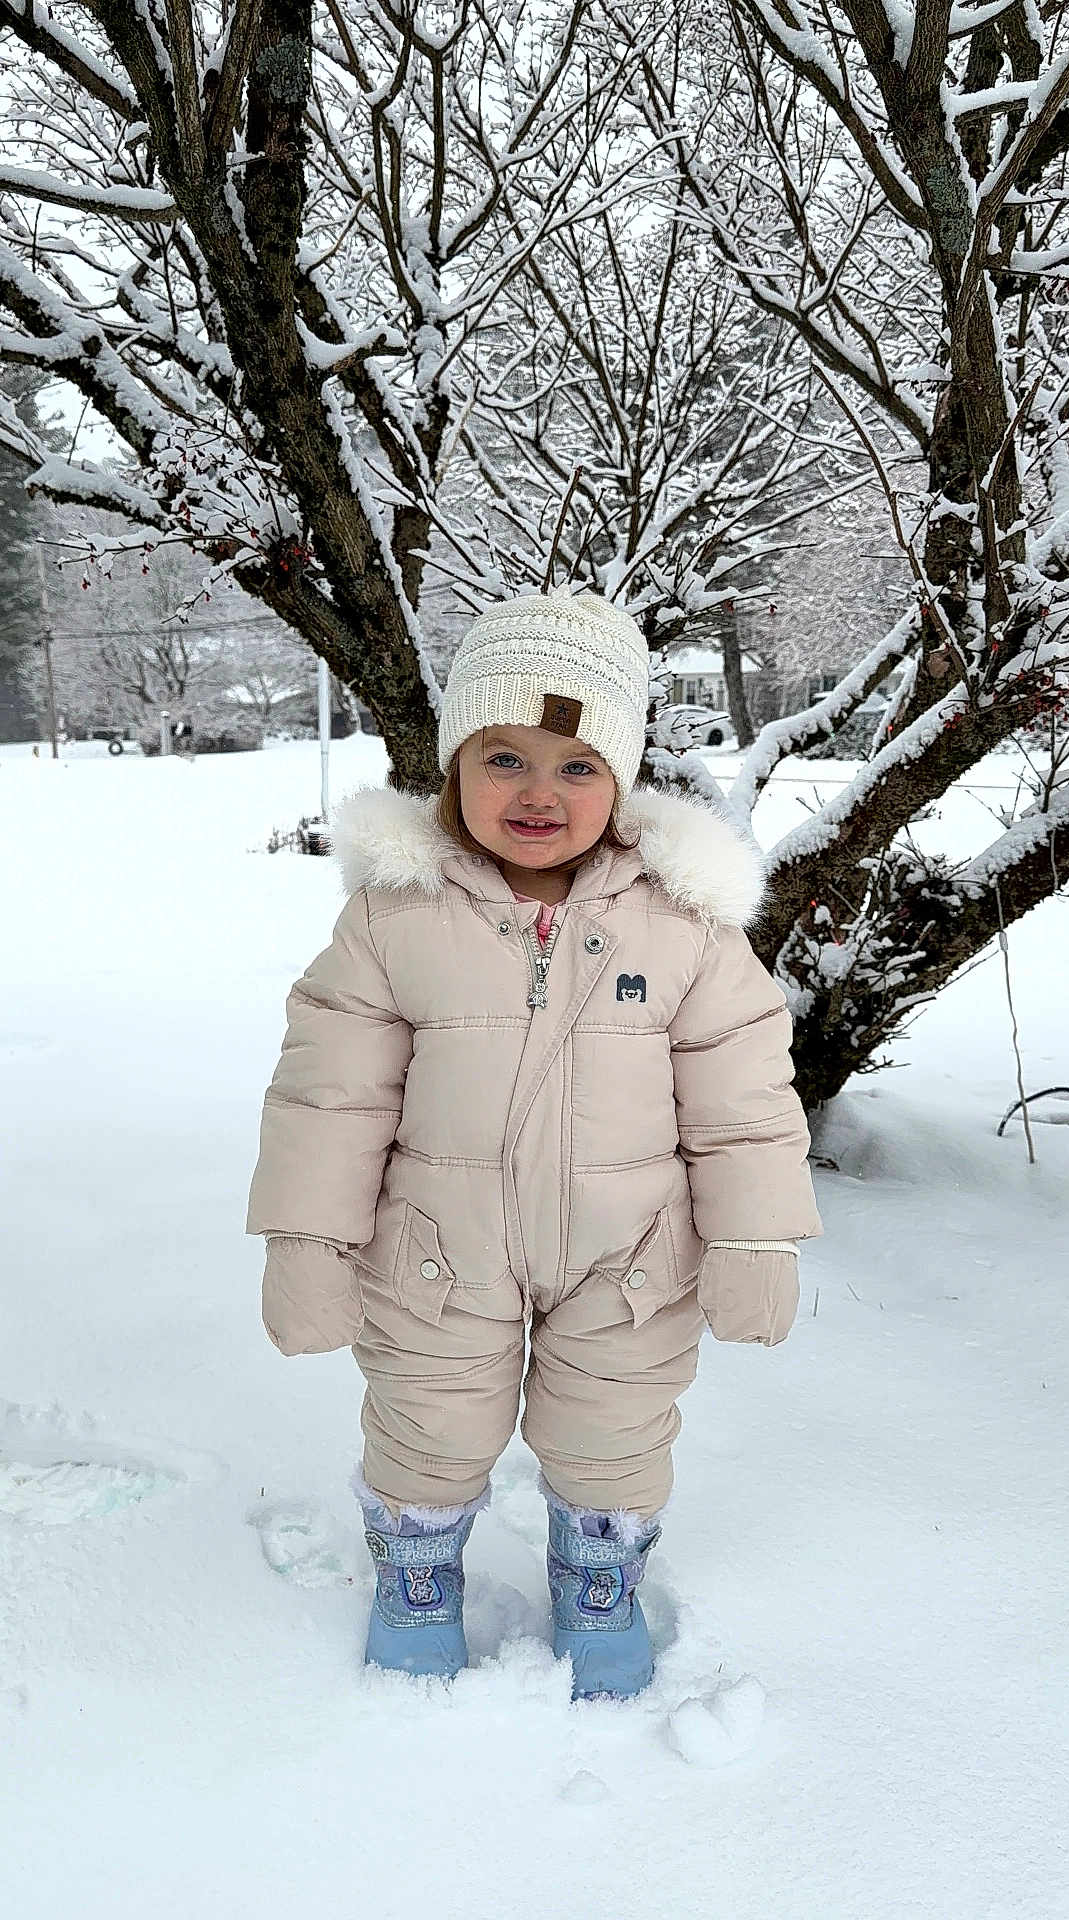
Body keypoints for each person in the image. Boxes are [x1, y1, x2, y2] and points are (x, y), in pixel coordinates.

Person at [247, 585, 822, 1700]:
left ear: (621, 778)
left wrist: (758, 1240)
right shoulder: (394, 917)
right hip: (435, 1251)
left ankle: (596, 1576)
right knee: (427, 1418)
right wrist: (306, 1241)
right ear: (454, 762)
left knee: (613, 1426)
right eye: (502, 757)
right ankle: (418, 1573)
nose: (538, 793)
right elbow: (329, 1096)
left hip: (632, 1255)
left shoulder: (684, 924)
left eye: (576, 765)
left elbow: (744, 1095)